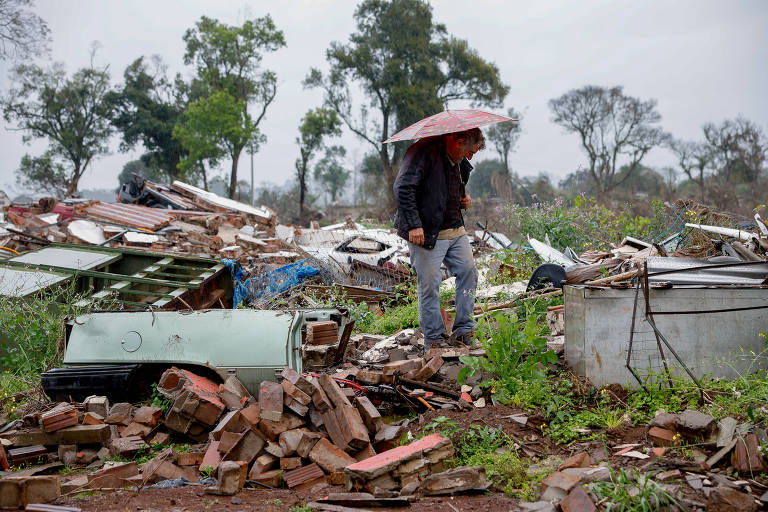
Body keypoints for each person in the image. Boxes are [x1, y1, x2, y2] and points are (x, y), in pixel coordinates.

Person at [393, 128, 485, 349]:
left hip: (454, 228)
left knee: (468, 272)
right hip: (426, 232)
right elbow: (403, 188)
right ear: (457, 141)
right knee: (430, 285)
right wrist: (414, 225)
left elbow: (453, 182)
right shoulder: (421, 151)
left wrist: (463, 197)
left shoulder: (457, 158)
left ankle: (463, 330)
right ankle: (434, 341)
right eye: (469, 151)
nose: (469, 157)